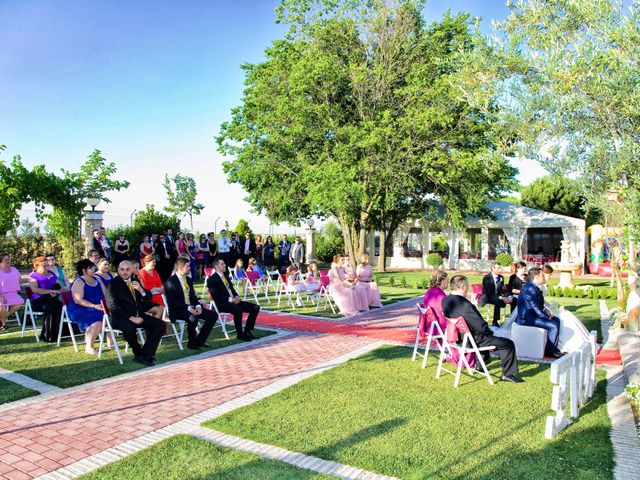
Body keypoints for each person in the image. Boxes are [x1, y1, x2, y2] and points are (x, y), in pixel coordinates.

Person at [441, 275, 523, 383]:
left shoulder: (445, 300)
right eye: (466, 286)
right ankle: (509, 374)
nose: (468, 288)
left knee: (489, 337)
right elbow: (481, 326)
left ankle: (480, 365)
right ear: (462, 287)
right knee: (507, 344)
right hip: (471, 340)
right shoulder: (465, 305)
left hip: (457, 338)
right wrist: (491, 332)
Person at [105, 260, 165, 366]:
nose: (125, 272)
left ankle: (146, 354)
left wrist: (141, 289)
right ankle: (138, 354)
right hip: (120, 318)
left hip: (138, 315)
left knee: (160, 325)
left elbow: (148, 297)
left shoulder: (135, 281)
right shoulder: (112, 285)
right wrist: (131, 317)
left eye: (127, 269)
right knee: (129, 327)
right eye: (122, 269)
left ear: (132, 270)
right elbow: (112, 307)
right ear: (118, 270)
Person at [164, 256, 218, 349]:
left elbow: (193, 296)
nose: (190, 268)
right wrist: (188, 308)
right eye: (187, 266)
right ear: (181, 268)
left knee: (213, 315)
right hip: (177, 310)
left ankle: (200, 341)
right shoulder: (170, 282)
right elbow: (172, 302)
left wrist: (198, 306)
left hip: (191, 307)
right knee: (193, 318)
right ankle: (191, 343)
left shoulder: (188, 280)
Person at [516, 267, 564, 359]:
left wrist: (546, 311)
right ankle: (550, 351)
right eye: (542, 275)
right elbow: (536, 308)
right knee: (553, 325)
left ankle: (552, 348)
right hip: (526, 318)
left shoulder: (533, 286)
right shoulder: (530, 288)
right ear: (536, 277)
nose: (544, 277)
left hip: (532, 315)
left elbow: (538, 305)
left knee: (556, 320)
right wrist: (546, 316)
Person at [207, 258, 259, 341]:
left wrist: (237, 296)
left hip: (233, 301)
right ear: (216, 266)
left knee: (255, 307)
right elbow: (216, 296)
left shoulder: (226, 277)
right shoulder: (212, 279)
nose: (225, 265)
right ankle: (240, 334)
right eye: (222, 264)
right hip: (222, 304)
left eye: (224, 263)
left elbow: (232, 290)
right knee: (238, 310)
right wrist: (231, 300)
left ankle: (247, 331)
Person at [66, 259, 110, 355]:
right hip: (80, 308)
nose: (93, 268)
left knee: (111, 314)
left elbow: (105, 293)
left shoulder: (97, 279)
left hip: (97, 306)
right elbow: (78, 300)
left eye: (93, 266)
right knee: (98, 319)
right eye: (90, 268)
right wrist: (94, 306)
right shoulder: (79, 281)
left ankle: (111, 342)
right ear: (83, 270)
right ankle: (89, 346)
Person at [28, 256, 63, 342]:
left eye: (47, 265)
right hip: (38, 301)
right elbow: (35, 290)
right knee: (51, 308)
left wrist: (57, 291)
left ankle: (62, 333)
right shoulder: (33, 276)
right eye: (44, 266)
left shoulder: (51, 273)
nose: (47, 267)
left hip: (51, 298)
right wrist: (49, 291)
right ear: (37, 267)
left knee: (62, 306)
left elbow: (58, 285)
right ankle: (48, 335)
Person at [478, 262, 512, 327]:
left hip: (497, 296)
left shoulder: (501, 277)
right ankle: (495, 321)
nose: (500, 270)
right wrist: (502, 298)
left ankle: (508, 320)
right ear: (493, 269)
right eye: (498, 268)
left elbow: (502, 289)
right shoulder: (487, 278)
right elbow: (488, 292)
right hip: (487, 297)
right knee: (498, 301)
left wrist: (509, 295)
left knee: (502, 300)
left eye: (500, 268)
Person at [0, 253, 24, 329]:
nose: (8, 261)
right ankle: (4, 323)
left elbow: (19, 279)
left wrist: (16, 289)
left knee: (20, 301)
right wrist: (1, 296)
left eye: (9, 259)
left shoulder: (14, 269)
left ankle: (4, 317)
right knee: (1, 305)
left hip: (13, 293)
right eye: (5, 259)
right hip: (1, 294)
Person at [422, 270, 449, 335]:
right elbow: (448, 312)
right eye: (447, 279)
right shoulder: (440, 295)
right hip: (439, 327)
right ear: (442, 281)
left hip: (430, 325)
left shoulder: (429, 291)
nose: (448, 281)